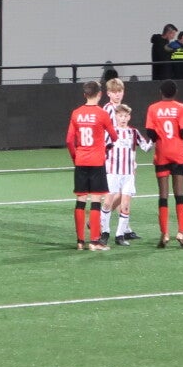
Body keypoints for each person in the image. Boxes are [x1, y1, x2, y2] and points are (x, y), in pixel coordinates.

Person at [144, 79, 183, 248]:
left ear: (161, 92)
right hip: (177, 153)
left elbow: (150, 131)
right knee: (179, 194)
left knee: (163, 195)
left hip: (162, 154)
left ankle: (164, 233)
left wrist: (159, 140)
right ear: (175, 92)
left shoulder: (153, 108)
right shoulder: (181, 108)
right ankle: (181, 232)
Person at [67, 80, 114, 251]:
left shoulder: (76, 113)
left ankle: (80, 241)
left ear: (84, 95)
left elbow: (69, 140)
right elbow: (114, 136)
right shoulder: (102, 114)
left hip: (81, 161)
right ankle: (94, 241)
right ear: (100, 94)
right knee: (95, 200)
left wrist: (76, 157)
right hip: (96, 161)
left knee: (80, 200)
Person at [105, 103, 151, 244]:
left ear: (129, 117)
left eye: (125, 116)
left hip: (128, 174)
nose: (123, 118)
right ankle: (104, 232)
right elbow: (102, 148)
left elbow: (146, 147)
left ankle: (120, 236)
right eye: (120, 116)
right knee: (107, 203)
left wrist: (154, 138)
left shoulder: (134, 132)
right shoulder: (110, 132)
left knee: (125, 205)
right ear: (116, 117)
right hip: (113, 173)